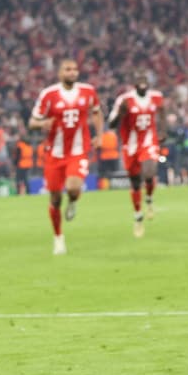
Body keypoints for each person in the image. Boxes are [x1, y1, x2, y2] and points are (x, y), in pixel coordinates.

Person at [28, 59, 103, 255]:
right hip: (54, 153)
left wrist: (100, 135)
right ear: (59, 73)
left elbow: (96, 112)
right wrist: (42, 124)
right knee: (54, 198)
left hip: (78, 151)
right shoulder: (49, 95)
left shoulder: (88, 91)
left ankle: (73, 201)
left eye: (75, 69)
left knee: (72, 187)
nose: (72, 72)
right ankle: (58, 237)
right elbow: (32, 121)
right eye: (68, 69)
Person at [108, 72, 165, 238]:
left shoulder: (156, 97)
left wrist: (162, 131)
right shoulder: (124, 100)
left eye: (145, 80)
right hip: (130, 145)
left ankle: (149, 199)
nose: (142, 83)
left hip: (149, 141)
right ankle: (138, 216)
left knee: (149, 172)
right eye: (139, 80)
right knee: (134, 183)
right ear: (134, 84)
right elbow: (111, 124)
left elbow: (161, 112)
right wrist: (120, 113)